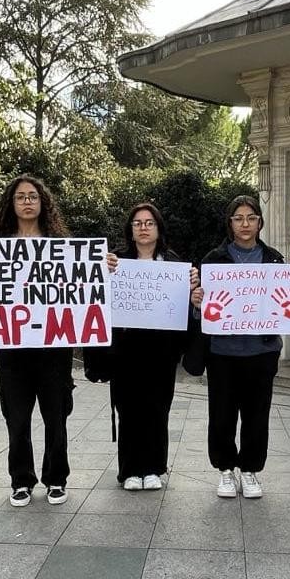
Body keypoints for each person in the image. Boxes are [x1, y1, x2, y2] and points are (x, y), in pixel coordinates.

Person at [197, 196, 290, 499]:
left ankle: (250, 470)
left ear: (260, 221)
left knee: (257, 414)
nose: (245, 224)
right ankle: (225, 470)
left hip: (262, 351)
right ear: (229, 223)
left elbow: (287, 304)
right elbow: (200, 308)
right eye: (238, 218)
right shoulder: (213, 259)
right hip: (222, 352)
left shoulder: (273, 258)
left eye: (251, 217)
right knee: (222, 414)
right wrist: (197, 302)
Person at [0, 175, 79, 508]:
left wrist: (103, 267)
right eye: (20, 197)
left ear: (42, 203)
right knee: (18, 418)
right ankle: (20, 480)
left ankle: (56, 479)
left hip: (53, 348)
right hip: (12, 349)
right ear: (11, 204)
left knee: (56, 417)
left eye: (33, 197)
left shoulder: (62, 245)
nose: (27, 202)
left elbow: (80, 288)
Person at [103, 203, 199, 491]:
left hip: (160, 351)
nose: (143, 228)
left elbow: (185, 308)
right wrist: (101, 271)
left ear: (158, 228)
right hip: (125, 349)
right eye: (137, 223)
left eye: (149, 223)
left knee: (157, 409)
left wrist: (193, 287)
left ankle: (154, 467)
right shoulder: (116, 261)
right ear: (130, 230)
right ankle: (130, 470)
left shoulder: (173, 264)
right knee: (128, 409)